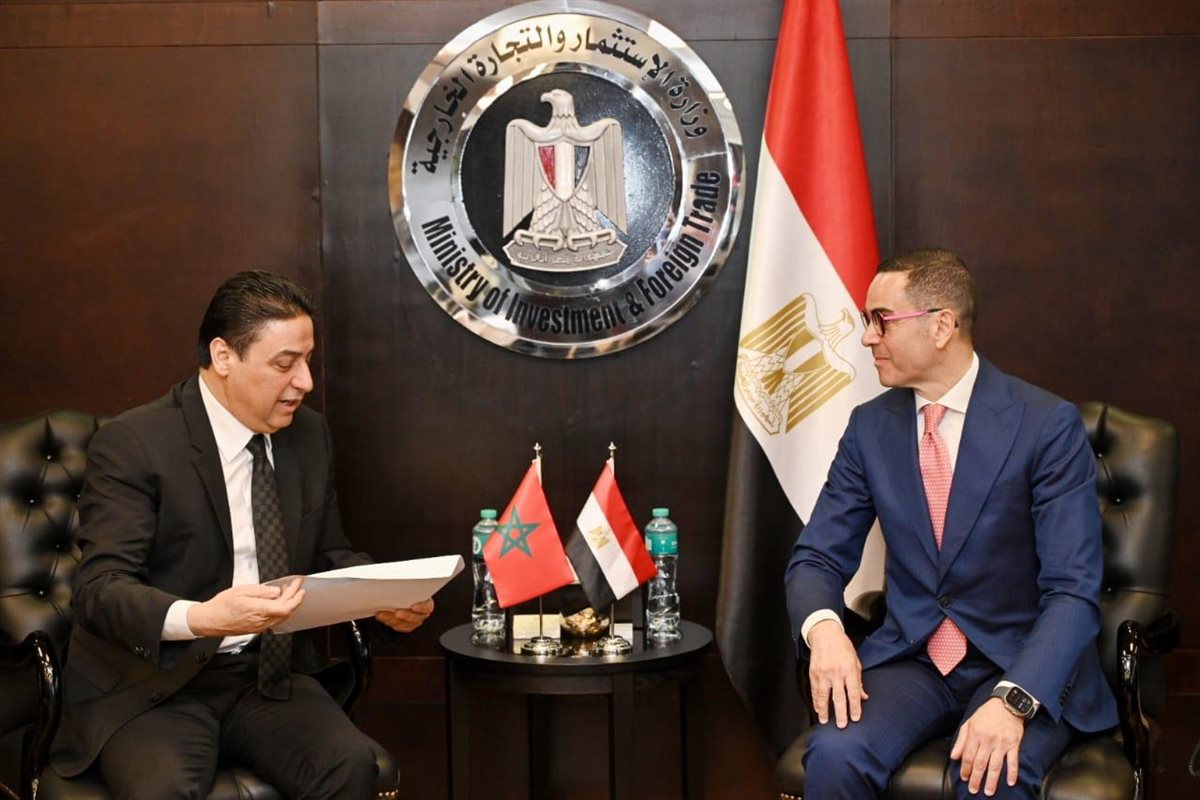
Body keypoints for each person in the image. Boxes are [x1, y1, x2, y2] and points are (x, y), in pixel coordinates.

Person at [51, 271, 434, 798]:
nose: (305, 382)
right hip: (156, 684)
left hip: (267, 676)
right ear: (224, 356)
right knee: (164, 791)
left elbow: (329, 553)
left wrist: (383, 599)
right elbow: (101, 589)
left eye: (308, 360)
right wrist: (203, 618)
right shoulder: (135, 443)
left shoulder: (309, 435)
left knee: (351, 767)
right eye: (285, 363)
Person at [785, 248, 1117, 798]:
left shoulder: (1045, 426)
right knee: (835, 755)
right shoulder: (870, 428)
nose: (867, 337)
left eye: (882, 320)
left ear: (942, 326)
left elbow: (1073, 591)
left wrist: (1015, 699)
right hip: (914, 660)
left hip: (1018, 659)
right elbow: (817, 557)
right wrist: (825, 631)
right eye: (868, 321)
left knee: (990, 774)